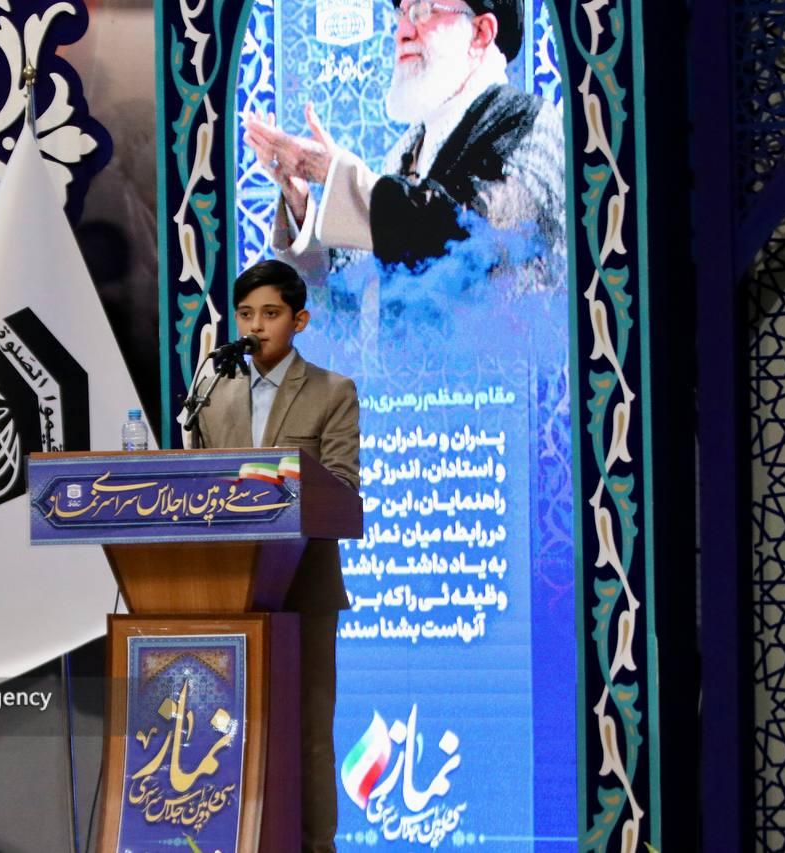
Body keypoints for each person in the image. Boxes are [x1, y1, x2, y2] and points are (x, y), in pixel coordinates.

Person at [196, 259, 359, 853]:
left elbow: (342, 486)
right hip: (228, 588)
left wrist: (273, 484)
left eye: (270, 314)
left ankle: (317, 845)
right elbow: (199, 485)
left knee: (309, 729)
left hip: (305, 585)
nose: (256, 327)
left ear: (300, 320)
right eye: (245, 315)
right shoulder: (213, 393)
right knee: (228, 729)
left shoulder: (332, 391)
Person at [244, 0, 564, 286]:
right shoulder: (408, 149)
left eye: (423, 11)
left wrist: (336, 174)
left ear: (480, 32)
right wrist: (300, 203)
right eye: (402, 13)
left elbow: (470, 238)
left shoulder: (534, 125)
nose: (402, 33)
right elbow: (358, 283)